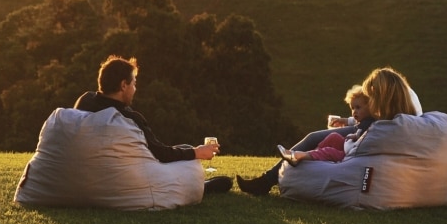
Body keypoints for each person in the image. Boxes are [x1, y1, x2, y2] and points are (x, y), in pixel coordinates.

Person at [236, 68, 422, 195]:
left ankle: (267, 180)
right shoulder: (397, 108)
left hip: (360, 137)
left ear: (383, 94)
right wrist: (347, 120)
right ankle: (268, 179)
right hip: (361, 130)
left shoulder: (399, 120)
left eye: (372, 95)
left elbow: (373, 122)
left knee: (316, 140)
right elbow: (371, 115)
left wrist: (355, 133)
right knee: (315, 137)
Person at [75, 55, 232, 194]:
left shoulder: (85, 101)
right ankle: (201, 186)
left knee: (184, 148)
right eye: (134, 84)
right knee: (189, 153)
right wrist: (197, 152)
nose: (135, 89)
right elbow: (161, 154)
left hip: (87, 174)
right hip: (129, 177)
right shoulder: (128, 118)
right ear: (124, 85)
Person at [277, 86, 375, 165]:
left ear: (370, 107)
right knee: (334, 137)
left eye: (358, 108)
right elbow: (354, 120)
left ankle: (298, 156)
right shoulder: (364, 120)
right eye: (352, 108)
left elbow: (362, 136)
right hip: (347, 147)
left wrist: (354, 136)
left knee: (329, 151)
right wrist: (344, 120)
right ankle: (313, 154)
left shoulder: (369, 123)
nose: (354, 112)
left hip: (349, 155)